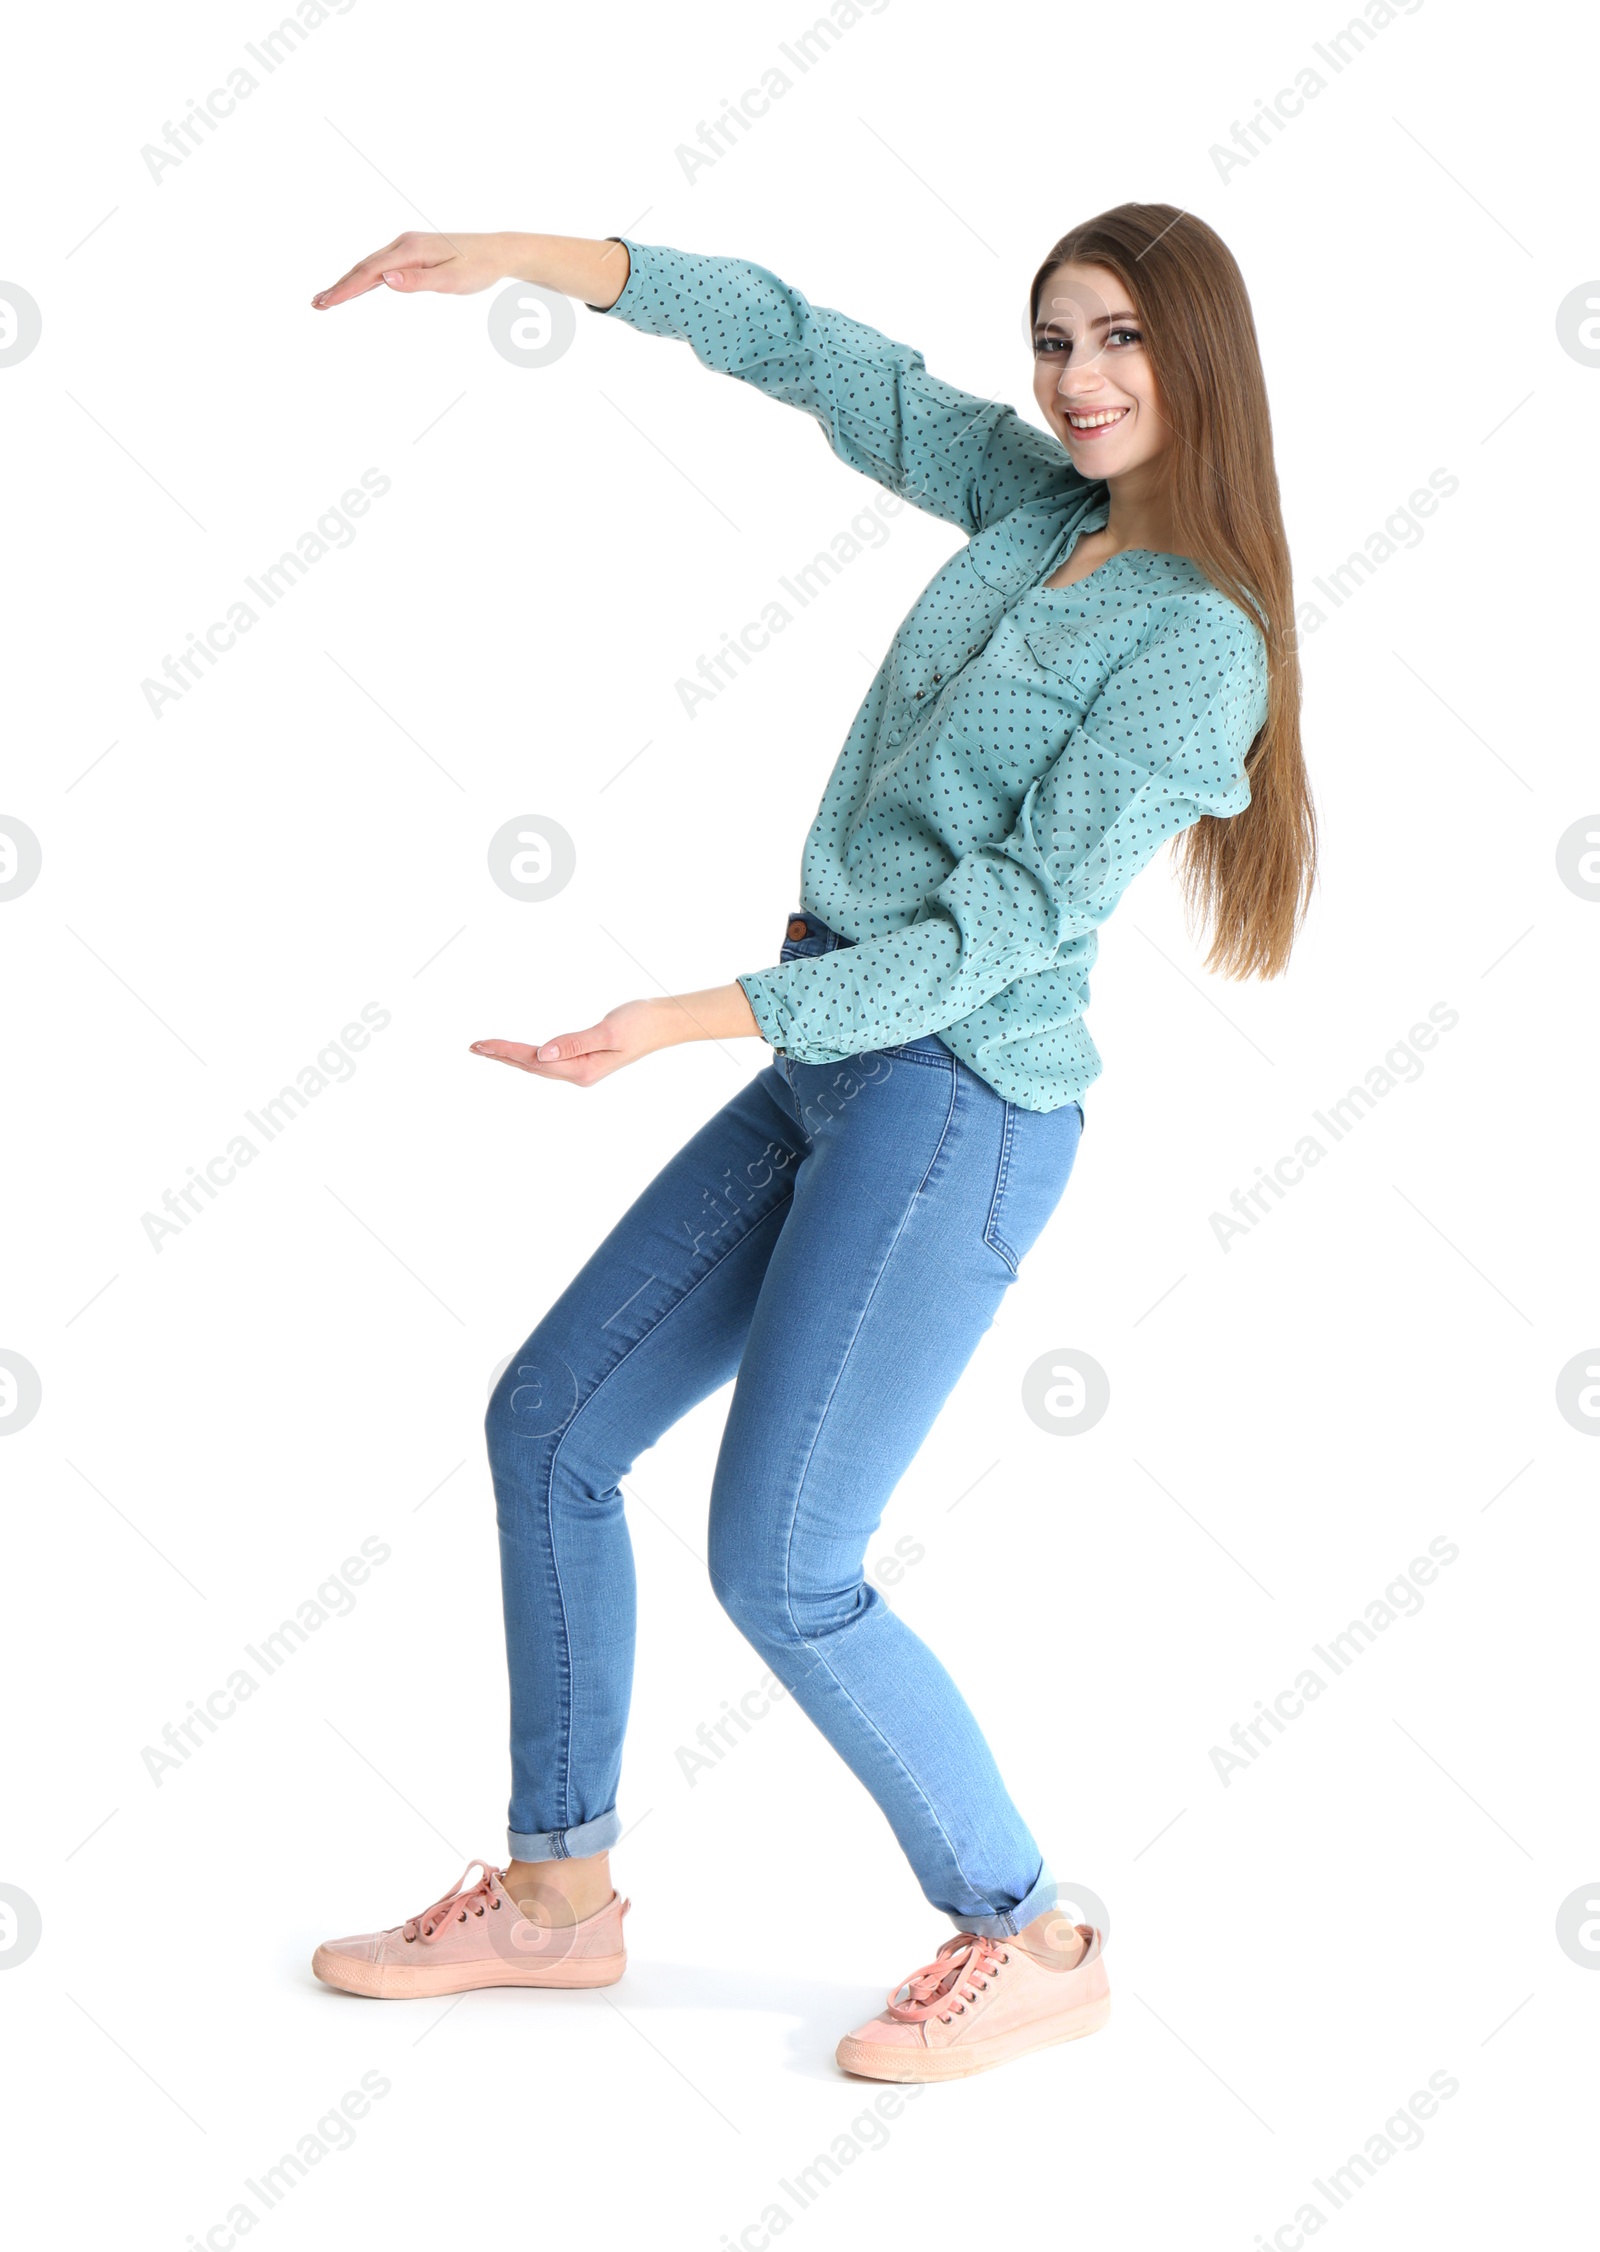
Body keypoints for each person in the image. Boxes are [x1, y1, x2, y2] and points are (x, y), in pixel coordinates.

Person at [305, 209, 1315, 2081]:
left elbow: (998, 933)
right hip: (834, 1066)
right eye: (1055, 342)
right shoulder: (1036, 512)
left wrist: (688, 1018)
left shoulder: (1202, 650)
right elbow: (819, 354)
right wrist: (546, 256)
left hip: (958, 1102)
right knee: (551, 1428)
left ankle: (1033, 1929)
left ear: (1203, 361)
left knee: (783, 1564)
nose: (1079, 383)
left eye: (1121, 344)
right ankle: (556, 1897)